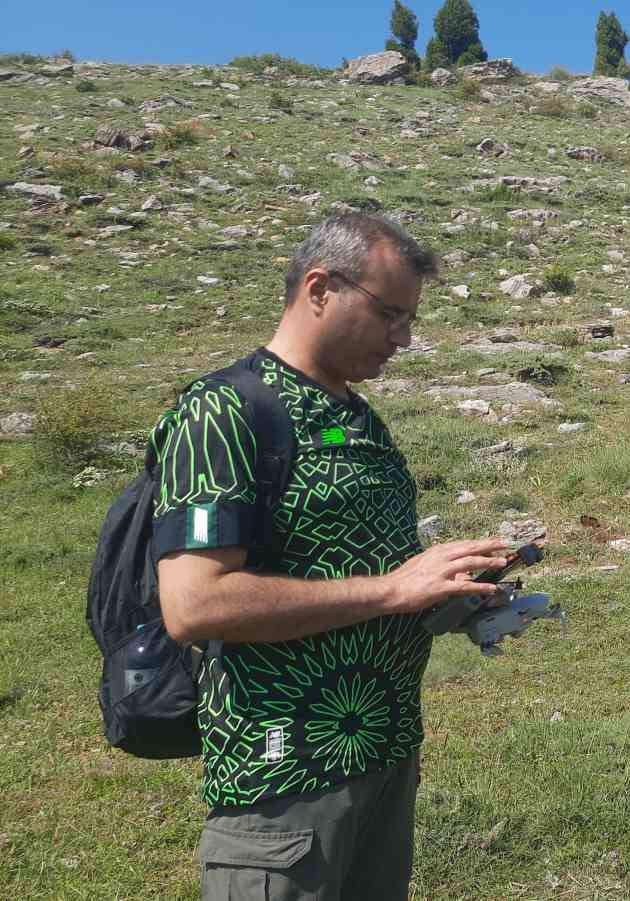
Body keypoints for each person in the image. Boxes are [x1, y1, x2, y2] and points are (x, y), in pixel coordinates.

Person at [152, 213, 514, 899]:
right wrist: (390, 590)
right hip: (282, 786)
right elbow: (194, 603)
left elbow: (374, 579)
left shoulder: (358, 417)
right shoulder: (224, 411)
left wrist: (449, 591)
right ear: (319, 288)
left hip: (383, 761)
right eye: (389, 315)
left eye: (410, 319)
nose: (403, 338)